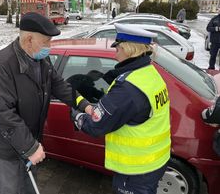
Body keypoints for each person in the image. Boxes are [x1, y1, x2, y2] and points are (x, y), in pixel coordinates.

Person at [0, 12, 90, 194]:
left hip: (30, 141)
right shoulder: (3, 65)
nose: (49, 47)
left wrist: (84, 105)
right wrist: (30, 147)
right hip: (8, 148)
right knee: (10, 189)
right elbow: (3, 113)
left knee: (28, 186)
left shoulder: (41, 59)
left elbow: (59, 85)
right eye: (46, 42)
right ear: (28, 40)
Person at [71, 24, 171, 194]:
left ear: (128, 49)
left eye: (117, 47)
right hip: (155, 161)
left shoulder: (127, 88)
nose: (115, 52)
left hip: (135, 171)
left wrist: (77, 114)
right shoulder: (150, 73)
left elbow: (97, 125)